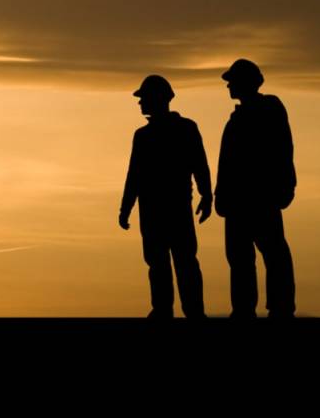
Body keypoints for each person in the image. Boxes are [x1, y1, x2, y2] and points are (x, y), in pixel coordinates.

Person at [119, 75, 212, 318]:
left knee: (184, 262)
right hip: (153, 210)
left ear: (157, 99)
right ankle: (164, 310)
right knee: (159, 262)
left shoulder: (185, 129)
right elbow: (135, 176)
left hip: (174, 208)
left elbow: (199, 165)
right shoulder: (143, 136)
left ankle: (192, 311)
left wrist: (206, 195)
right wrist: (125, 208)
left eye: (144, 99)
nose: (140, 104)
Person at [214, 59, 296, 318]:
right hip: (238, 201)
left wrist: (285, 186)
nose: (228, 86)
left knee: (273, 252)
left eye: (233, 81)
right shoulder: (236, 120)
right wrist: (221, 195)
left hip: (261, 197)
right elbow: (226, 163)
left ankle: (280, 308)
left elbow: (283, 150)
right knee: (239, 258)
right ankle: (243, 309)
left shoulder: (269, 108)